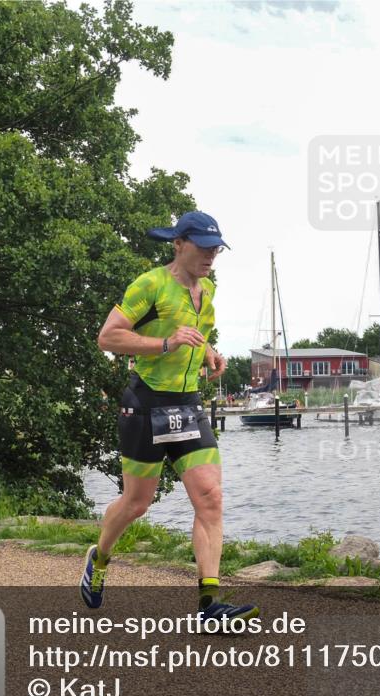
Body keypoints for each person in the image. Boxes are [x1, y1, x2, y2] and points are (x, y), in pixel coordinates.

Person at [81, 211, 258, 623]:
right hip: (146, 404)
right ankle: (100, 559)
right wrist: (166, 342)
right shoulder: (151, 284)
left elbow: (197, 333)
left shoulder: (207, 290)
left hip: (187, 403)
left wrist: (209, 352)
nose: (211, 255)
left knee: (210, 497)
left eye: (216, 248)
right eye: (203, 246)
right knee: (136, 503)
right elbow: (108, 336)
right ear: (178, 244)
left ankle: (209, 605)